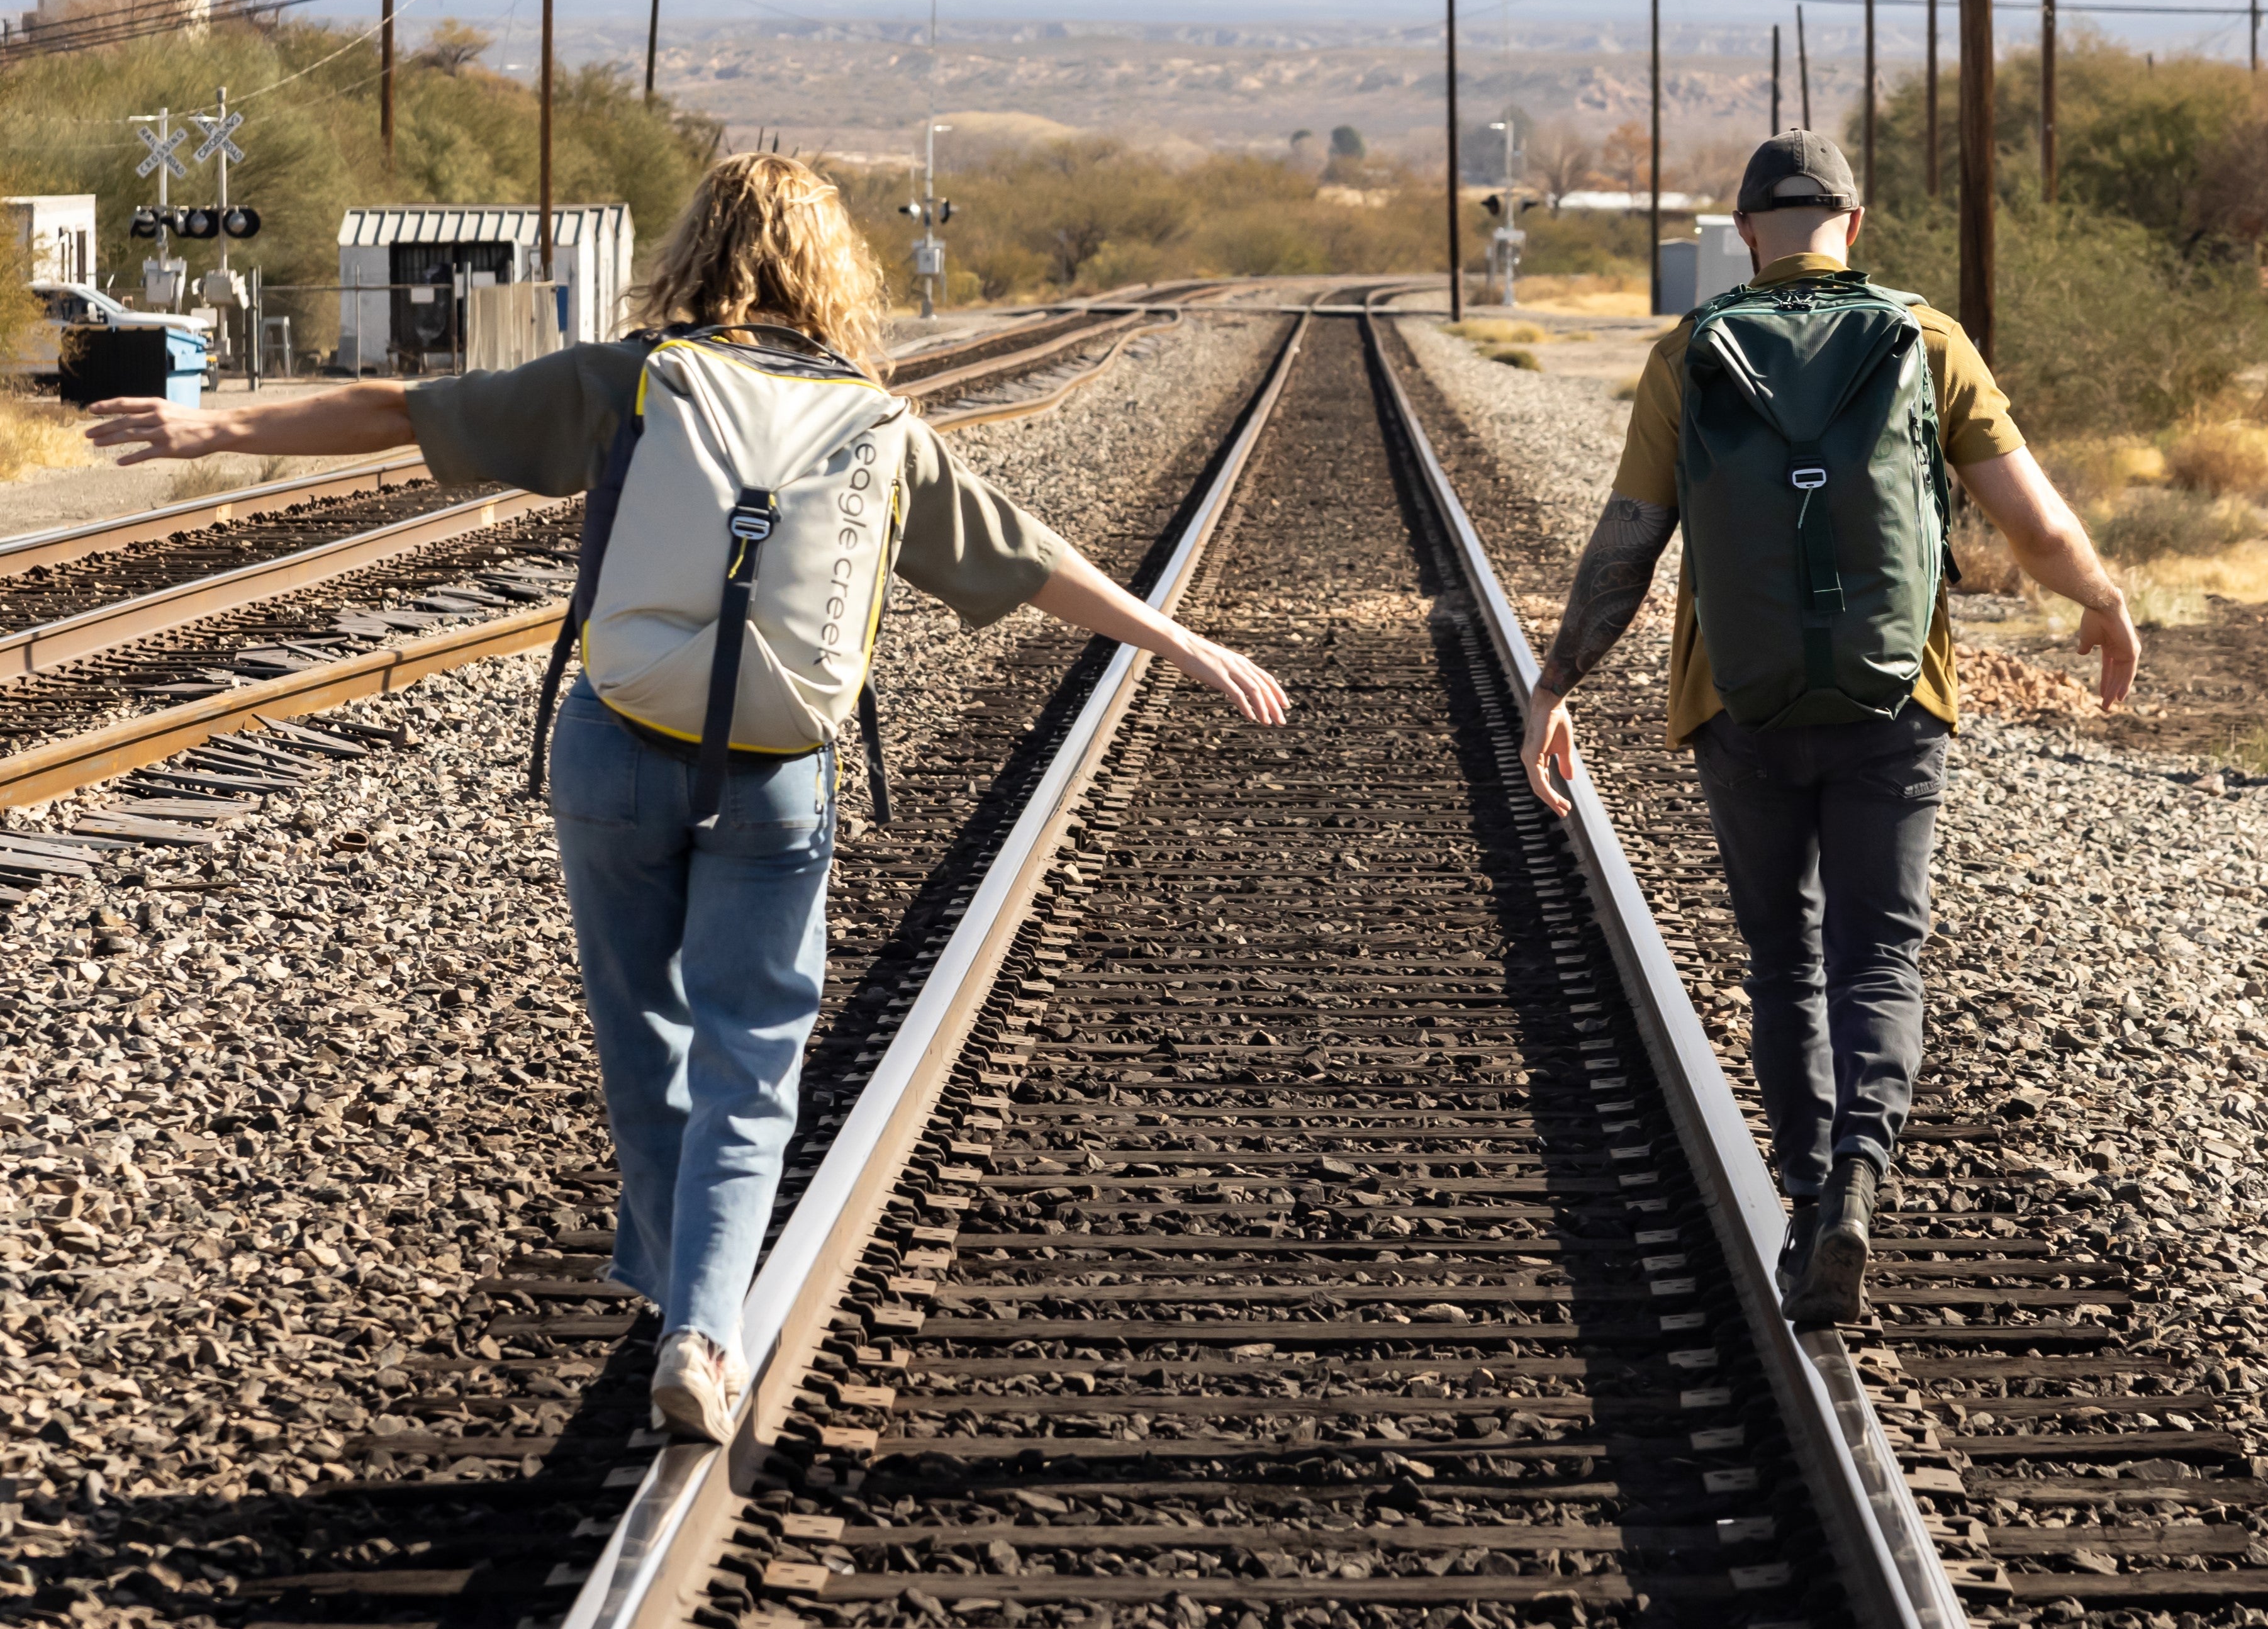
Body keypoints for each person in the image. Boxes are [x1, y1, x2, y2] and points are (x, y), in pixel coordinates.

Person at [91, 152, 1289, 1443]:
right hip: (776, 777)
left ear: (696, 249)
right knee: (752, 1062)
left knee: (641, 1032)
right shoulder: (880, 425)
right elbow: (1027, 558)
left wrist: (217, 426)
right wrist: (1177, 642)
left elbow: (408, 408)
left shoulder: (632, 382)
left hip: (612, 750)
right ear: (833, 269)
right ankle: (706, 1330)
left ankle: (673, 1291)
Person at [1520, 128, 2137, 1327]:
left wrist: (1556, 682)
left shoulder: (1692, 349)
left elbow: (1628, 547)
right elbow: (2035, 525)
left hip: (1737, 704)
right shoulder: (1925, 338)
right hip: (1896, 705)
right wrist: (2104, 599)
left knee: (1784, 959)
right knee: (1881, 955)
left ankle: (1805, 1196)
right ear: (1854, 226)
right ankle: (1860, 1171)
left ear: (1747, 234)